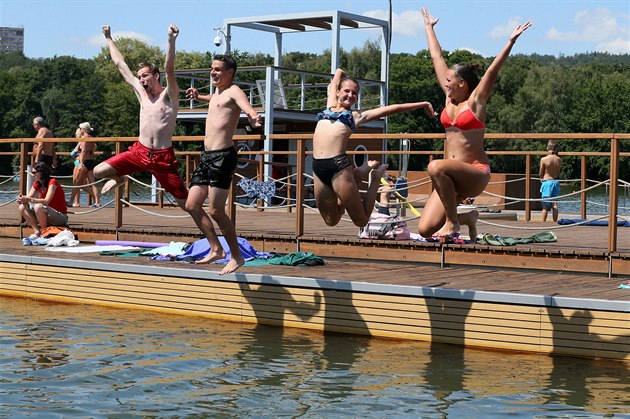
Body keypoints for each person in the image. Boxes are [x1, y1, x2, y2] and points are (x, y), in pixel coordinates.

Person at [417, 7, 531, 241]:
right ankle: (467, 217)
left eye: (449, 81)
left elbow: (492, 71)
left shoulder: (475, 102)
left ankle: (452, 222)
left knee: (435, 166)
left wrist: (510, 42)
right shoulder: (449, 98)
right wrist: (429, 27)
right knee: (424, 230)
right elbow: (437, 57)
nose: (445, 84)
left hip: (475, 173)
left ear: (462, 83)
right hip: (450, 176)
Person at [313, 68, 436, 228]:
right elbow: (335, 80)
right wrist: (339, 72)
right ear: (337, 92)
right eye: (347, 91)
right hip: (318, 167)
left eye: (354, 93)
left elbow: (394, 108)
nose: (350, 95)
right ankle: (358, 175)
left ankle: (376, 177)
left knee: (361, 220)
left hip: (338, 167)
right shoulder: (328, 106)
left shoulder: (355, 116)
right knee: (331, 220)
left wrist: (424, 104)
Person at [94, 24, 188, 209]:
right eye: (139, 77)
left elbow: (169, 68)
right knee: (98, 171)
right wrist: (109, 38)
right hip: (140, 151)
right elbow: (120, 64)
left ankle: (213, 228)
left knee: (186, 205)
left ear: (156, 76)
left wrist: (171, 40)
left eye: (145, 76)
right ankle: (120, 179)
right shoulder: (141, 93)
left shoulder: (169, 95)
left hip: (162, 156)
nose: (141, 80)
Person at [184, 55, 262, 275]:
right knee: (191, 205)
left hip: (223, 157)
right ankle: (216, 249)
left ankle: (236, 256)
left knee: (216, 211)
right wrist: (199, 96)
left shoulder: (235, 91)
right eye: (212, 69)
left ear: (230, 72)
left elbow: (247, 108)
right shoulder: (219, 92)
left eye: (218, 69)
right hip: (207, 157)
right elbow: (216, 100)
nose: (213, 72)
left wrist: (254, 117)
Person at [17, 161, 68, 244]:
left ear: (41, 172)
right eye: (32, 172)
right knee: (22, 207)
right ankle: (37, 232)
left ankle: (44, 233)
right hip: (46, 213)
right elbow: (28, 197)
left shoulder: (52, 182)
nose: (32, 175)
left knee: (38, 207)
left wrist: (29, 199)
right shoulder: (37, 184)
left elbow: (46, 201)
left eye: (34, 172)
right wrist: (22, 200)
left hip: (60, 216)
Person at [69, 122, 101, 208]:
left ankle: (71, 201)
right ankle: (97, 202)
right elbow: (93, 149)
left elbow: (83, 151)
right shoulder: (92, 138)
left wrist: (81, 163)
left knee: (77, 183)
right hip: (90, 161)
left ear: (84, 129)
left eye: (81, 129)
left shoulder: (83, 138)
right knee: (93, 183)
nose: (80, 130)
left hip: (84, 162)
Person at [539, 139, 562, 222]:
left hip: (547, 181)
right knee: (555, 204)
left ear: (547, 147)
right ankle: (555, 222)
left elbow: (541, 173)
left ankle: (543, 223)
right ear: (556, 149)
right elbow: (558, 172)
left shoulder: (544, 159)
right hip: (556, 181)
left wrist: (541, 178)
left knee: (545, 205)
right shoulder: (559, 159)